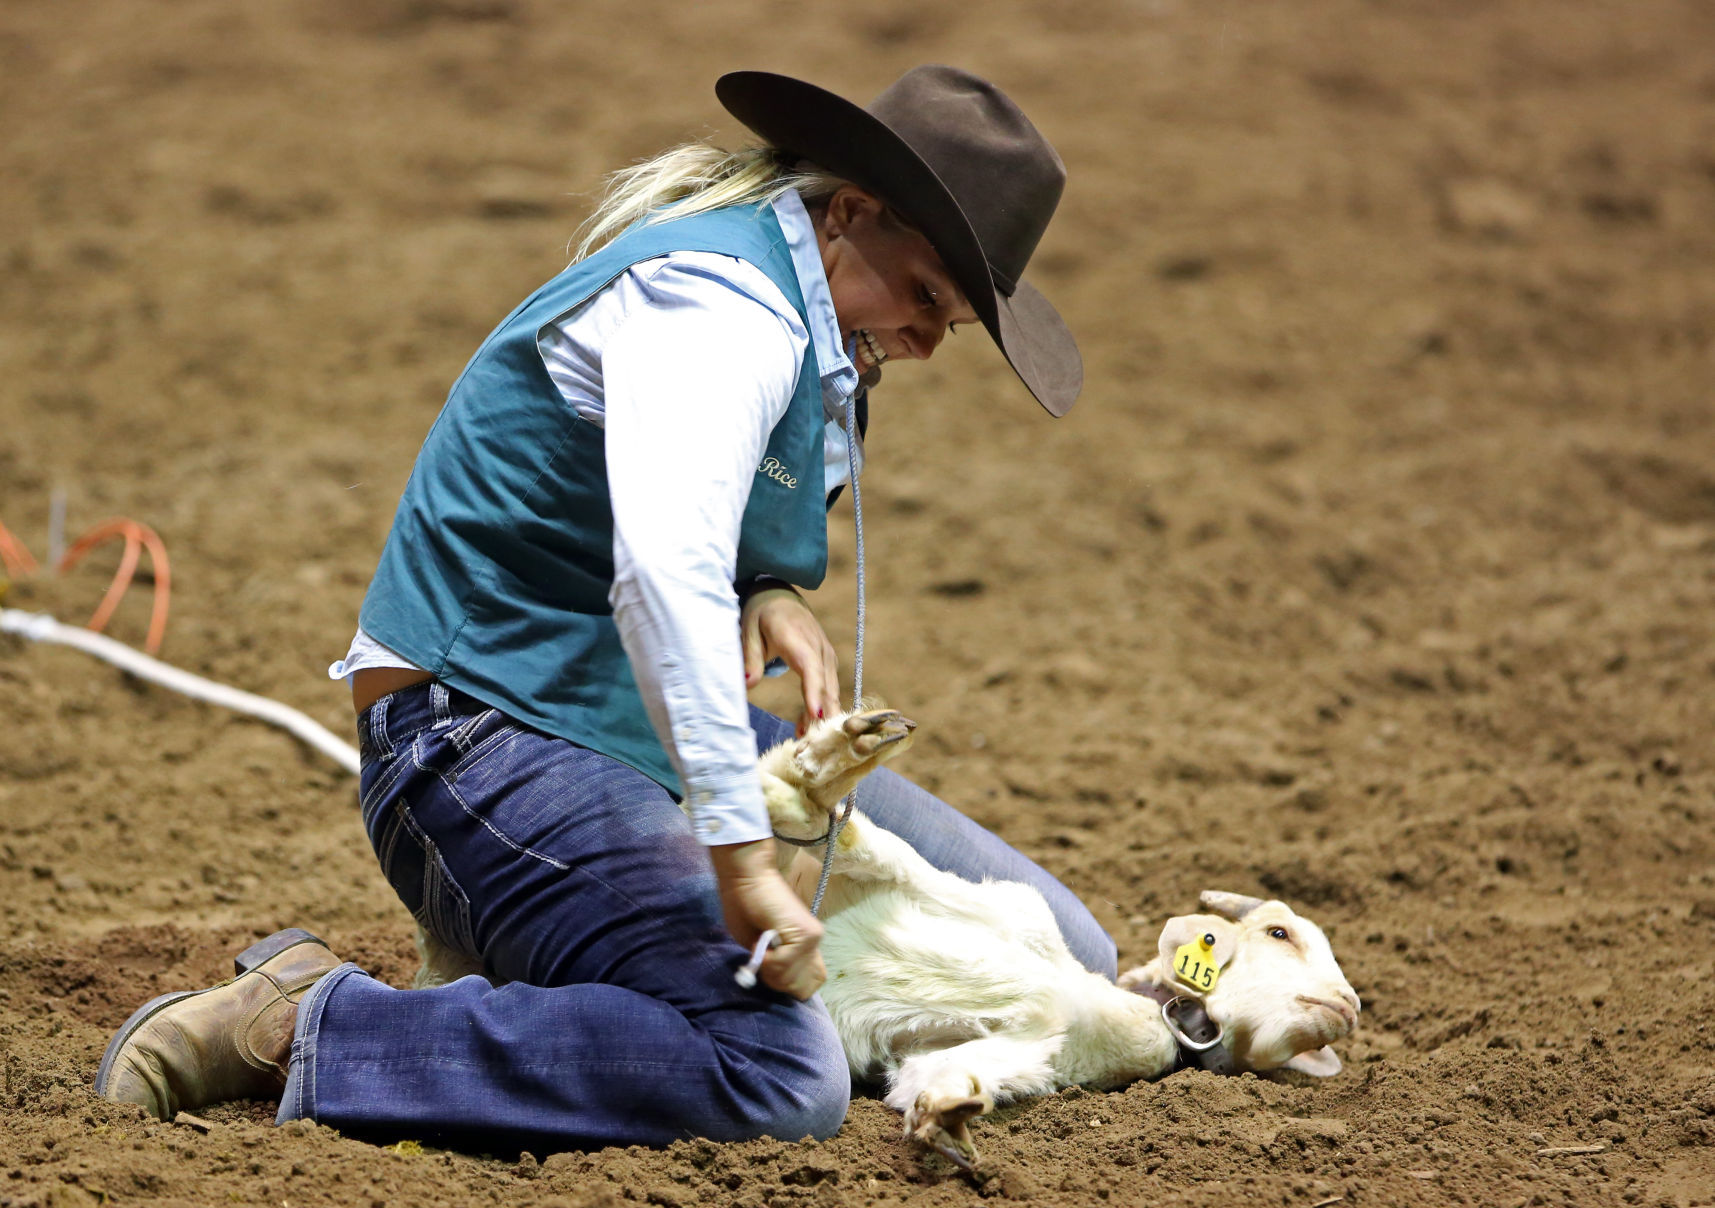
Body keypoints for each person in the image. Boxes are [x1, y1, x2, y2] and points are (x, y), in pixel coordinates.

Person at [96, 65, 1109, 1152]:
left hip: (617, 726)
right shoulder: (721, 308)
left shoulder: (798, 312)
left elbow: (670, 518)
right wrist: (737, 852)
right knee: (776, 1071)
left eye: (947, 318)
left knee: (1067, 950)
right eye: (923, 297)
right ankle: (317, 1027)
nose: (926, 339)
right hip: (477, 729)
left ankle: (588, 973)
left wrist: (762, 585)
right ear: (850, 213)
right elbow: (661, 573)